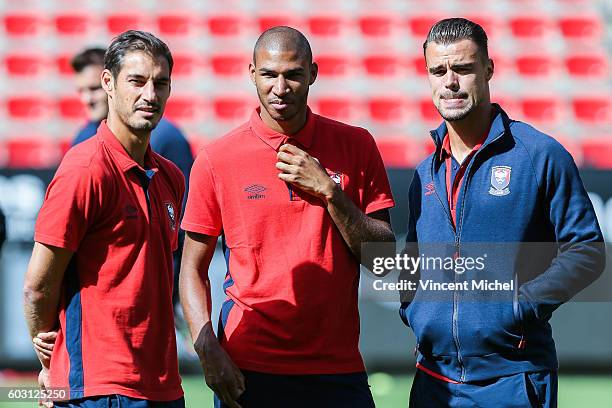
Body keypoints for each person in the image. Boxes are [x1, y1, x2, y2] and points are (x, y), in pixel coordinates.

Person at [179, 26, 395, 408]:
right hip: (249, 369)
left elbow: (383, 260)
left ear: (312, 74)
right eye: (269, 74)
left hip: (336, 368)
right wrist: (207, 349)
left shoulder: (356, 145)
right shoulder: (216, 159)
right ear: (252, 74)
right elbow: (191, 269)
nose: (281, 87)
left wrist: (330, 192)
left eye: (293, 75)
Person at [400, 18, 606, 407]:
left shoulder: (540, 154)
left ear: (488, 70)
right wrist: (416, 312)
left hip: (513, 376)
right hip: (433, 380)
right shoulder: (424, 172)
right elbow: (412, 260)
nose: (450, 82)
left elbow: (587, 250)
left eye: (463, 68)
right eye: (438, 70)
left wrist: (519, 305)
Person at [23, 30, 185, 407]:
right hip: (97, 388)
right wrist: (52, 364)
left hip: (163, 386)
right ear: (108, 83)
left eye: (161, 83)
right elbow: (37, 286)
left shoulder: (172, 177)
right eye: (137, 81)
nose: (150, 94)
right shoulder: (84, 169)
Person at [70, 47, 194, 307]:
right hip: (96, 298)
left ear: (109, 84)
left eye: (92, 89)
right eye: (81, 91)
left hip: (157, 291)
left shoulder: (165, 139)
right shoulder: (82, 141)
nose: (87, 99)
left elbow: (183, 226)